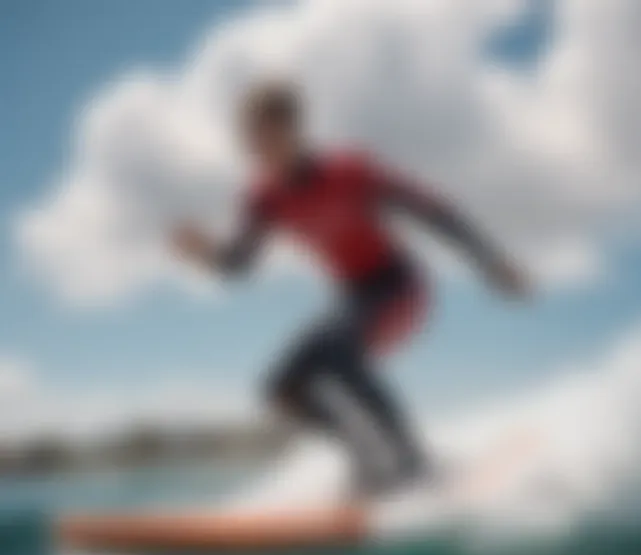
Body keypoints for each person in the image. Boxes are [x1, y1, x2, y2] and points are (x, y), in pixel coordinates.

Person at [173, 80, 529, 498]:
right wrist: (206, 253)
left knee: (338, 354)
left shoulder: (351, 172)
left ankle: (414, 465)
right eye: (249, 142)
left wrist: (490, 261)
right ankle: (368, 464)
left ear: (292, 129)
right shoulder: (263, 198)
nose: (257, 151)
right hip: (351, 299)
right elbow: (240, 265)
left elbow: (434, 212)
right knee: (282, 388)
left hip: (398, 288)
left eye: (264, 137)